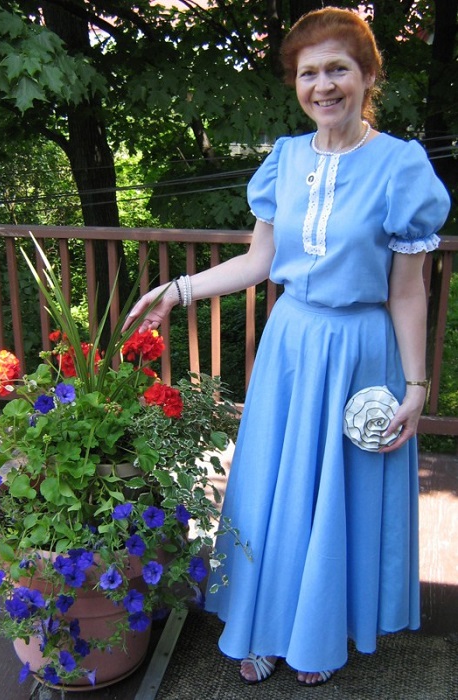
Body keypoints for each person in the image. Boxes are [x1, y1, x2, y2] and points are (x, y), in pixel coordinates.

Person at [124, 6, 451, 689]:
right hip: (292, 346)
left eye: (338, 69)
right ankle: (267, 627)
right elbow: (258, 261)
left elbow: (408, 291)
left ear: (367, 76)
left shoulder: (401, 168)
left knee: (339, 494)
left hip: (364, 352)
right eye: (309, 73)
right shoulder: (284, 159)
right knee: (277, 490)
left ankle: (320, 633)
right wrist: (178, 290)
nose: (323, 85)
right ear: (295, 83)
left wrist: (417, 389)